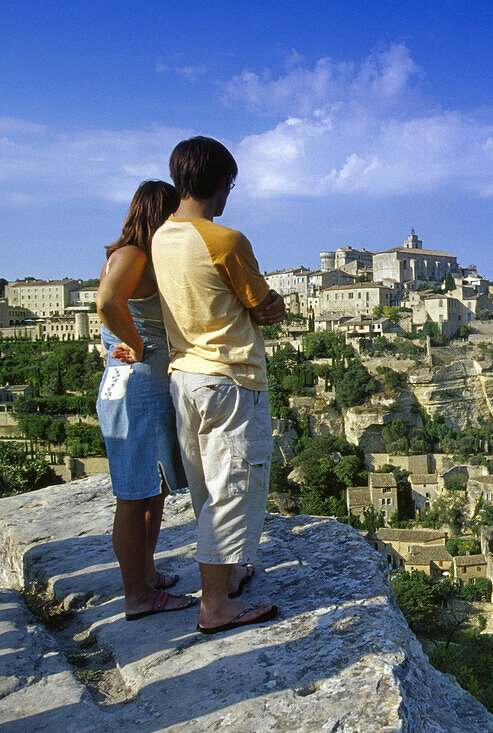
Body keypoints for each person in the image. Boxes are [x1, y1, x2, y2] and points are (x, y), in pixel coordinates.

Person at [152, 136, 285, 634]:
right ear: (222, 184)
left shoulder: (160, 237)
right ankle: (216, 604)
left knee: (207, 488)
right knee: (234, 488)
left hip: (183, 377)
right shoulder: (225, 240)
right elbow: (263, 307)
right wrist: (276, 305)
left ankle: (225, 578)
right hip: (230, 378)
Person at [96, 180, 197, 620]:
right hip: (135, 388)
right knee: (134, 496)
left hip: (138, 390)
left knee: (150, 490)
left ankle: (148, 577)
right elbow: (106, 303)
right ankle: (137, 596)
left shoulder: (138, 256)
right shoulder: (132, 254)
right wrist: (136, 344)